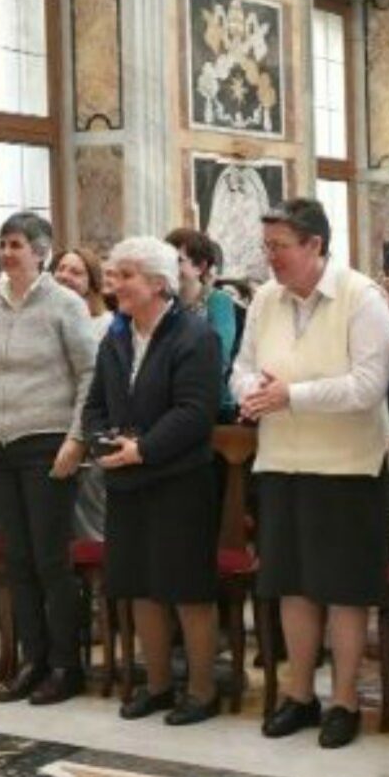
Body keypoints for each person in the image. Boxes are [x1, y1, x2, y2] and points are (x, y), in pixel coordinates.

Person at [233, 198, 389, 749]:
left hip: (348, 467)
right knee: (293, 587)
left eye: (279, 247)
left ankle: (344, 699)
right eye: (267, 246)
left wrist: (291, 395)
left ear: (314, 246)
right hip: (281, 461)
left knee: (344, 591)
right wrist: (250, 393)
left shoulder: (360, 297)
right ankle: (299, 695)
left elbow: (367, 387)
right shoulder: (264, 299)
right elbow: (241, 366)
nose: (270, 258)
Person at [0, 212, 98, 705]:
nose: (8, 252)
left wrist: (77, 439)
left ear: (41, 251)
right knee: (17, 561)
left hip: (48, 443)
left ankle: (64, 664)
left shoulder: (65, 304)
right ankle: (32, 659)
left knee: (50, 560)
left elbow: (89, 375)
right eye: (4, 243)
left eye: (16, 244)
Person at [86, 236, 225, 726]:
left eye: (126, 275)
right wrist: (98, 441)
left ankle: (203, 691)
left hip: (179, 480)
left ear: (159, 284)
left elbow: (194, 412)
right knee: (141, 585)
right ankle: (159, 684)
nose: (115, 284)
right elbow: (96, 402)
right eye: (115, 273)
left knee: (186, 589)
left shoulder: (195, 336)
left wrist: (141, 449)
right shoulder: (117, 336)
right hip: (127, 480)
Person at [167, 227, 240, 422]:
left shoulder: (219, 301)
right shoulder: (165, 304)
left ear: (200, 266)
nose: (169, 267)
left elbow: (219, 356)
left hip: (212, 404)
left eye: (178, 261)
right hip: (170, 402)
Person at [52, 244, 113, 337]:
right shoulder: (43, 316)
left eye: (75, 272)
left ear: (92, 283)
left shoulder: (105, 324)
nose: (64, 276)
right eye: (61, 269)